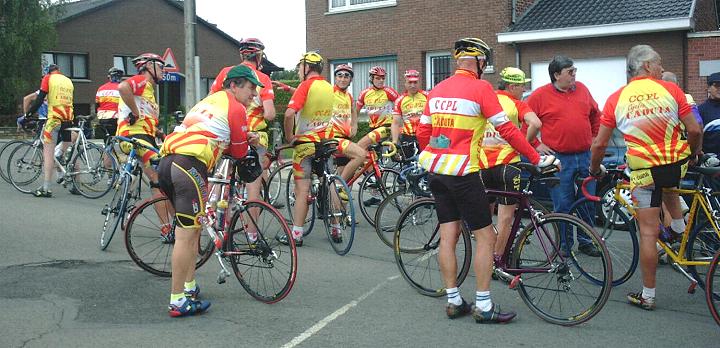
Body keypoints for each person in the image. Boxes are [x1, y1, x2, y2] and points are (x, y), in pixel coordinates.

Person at [416, 37, 554, 323]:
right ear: (479, 62)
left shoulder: (436, 90)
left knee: (447, 235)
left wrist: (441, 148)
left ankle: (454, 301)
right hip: (465, 174)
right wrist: (535, 157)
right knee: (486, 237)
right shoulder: (480, 88)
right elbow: (508, 130)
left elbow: (423, 134)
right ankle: (484, 305)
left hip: (437, 172)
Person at [589, 45, 702, 310]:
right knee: (670, 188)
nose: (662, 68)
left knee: (648, 233)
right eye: (659, 63)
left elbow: (599, 145)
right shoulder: (671, 90)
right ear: (647, 66)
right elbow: (694, 129)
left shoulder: (617, 98)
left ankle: (648, 295)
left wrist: (595, 170)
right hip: (675, 164)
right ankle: (677, 229)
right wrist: (694, 152)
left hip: (644, 172)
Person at [158, 64, 261, 317]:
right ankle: (177, 300)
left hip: (169, 163)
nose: (254, 95)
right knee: (185, 235)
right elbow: (238, 153)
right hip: (188, 167)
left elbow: (212, 134)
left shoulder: (210, 100)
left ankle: (189, 287)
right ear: (234, 85)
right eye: (250, 88)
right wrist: (250, 141)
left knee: (193, 232)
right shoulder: (236, 108)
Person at [526, 55, 602, 257]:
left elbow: (596, 114)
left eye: (574, 70)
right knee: (562, 204)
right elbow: (525, 121)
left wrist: (595, 137)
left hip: (585, 155)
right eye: (570, 71)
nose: (574, 74)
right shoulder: (540, 96)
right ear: (556, 75)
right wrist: (536, 144)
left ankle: (586, 241)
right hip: (559, 159)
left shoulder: (583, 89)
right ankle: (563, 246)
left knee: (587, 200)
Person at [479, 67, 542, 257]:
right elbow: (536, 123)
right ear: (512, 86)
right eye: (522, 86)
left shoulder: (485, 100)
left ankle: (485, 256)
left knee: (484, 218)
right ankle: (497, 260)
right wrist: (524, 141)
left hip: (482, 166)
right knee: (505, 218)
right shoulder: (516, 104)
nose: (524, 90)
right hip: (508, 165)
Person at [282, 52, 335, 246]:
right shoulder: (329, 87)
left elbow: (289, 114)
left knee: (302, 189)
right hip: (325, 143)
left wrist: (289, 137)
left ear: (307, 67)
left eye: (299, 67)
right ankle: (336, 228)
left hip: (305, 144)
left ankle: (296, 233)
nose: (297, 71)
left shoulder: (306, 85)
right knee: (330, 185)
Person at [341, 66, 400, 205]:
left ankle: (370, 177)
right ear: (371, 79)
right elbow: (355, 110)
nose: (380, 81)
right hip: (372, 128)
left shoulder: (389, 91)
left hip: (385, 128)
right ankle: (375, 187)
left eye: (382, 78)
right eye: (377, 78)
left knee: (359, 147)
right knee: (370, 161)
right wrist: (349, 124)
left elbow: (401, 104)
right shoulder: (364, 93)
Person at [116, 53, 164, 190]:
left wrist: (158, 132)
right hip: (133, 136)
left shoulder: (148, 90)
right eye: (160, 67)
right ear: (149, 65)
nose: (163, 71)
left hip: (145, 138)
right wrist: (135, 112)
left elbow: (146, 118)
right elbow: (123, 87)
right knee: (160, 169)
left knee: (157, 181)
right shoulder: (141, 80)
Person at [25, 64, 74, 197]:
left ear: (48, 72)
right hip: (68, 119)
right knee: (67, 149)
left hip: (54, 120)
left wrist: (27, 115)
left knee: (48, 155)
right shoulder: (68, 80)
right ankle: (75, 184)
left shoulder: (48, 78)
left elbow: (40, 99)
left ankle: (46, 188)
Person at [330, 64, 367, 183]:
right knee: (361, 155)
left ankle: (338, 193)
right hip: (333, 138)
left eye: (346, 76)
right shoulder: (329, 92)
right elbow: (310, 93)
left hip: (345, 138)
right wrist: (289, 89)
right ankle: (339, 184)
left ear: (350, 80)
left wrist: (354, 126)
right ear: (335, 78)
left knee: (347, 174)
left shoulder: (348, 96)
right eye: (339, 75)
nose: (342, 79)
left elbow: (353, 111)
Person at [390, 69, 428, 159]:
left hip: (424, 136)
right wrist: (394, 141)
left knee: (426, 166)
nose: (412, 85)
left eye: (415, 82)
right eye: (410, 82)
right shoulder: (400, 100)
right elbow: (395, 123)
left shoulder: (427, 96)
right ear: (405, 83)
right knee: (408, 167)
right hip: (407, 137)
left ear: (419, 83)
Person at [96, 67, 123, 140]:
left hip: (102, 118)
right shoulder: (122, 88)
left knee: (107, 140)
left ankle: (107, 150)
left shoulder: (101, 88)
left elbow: (97, 104)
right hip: (116, 118)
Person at [699, 72, 720, 154]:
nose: (719, 88)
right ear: (709, 88)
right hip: (710, 163)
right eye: (716, 85)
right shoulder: (701, 110)